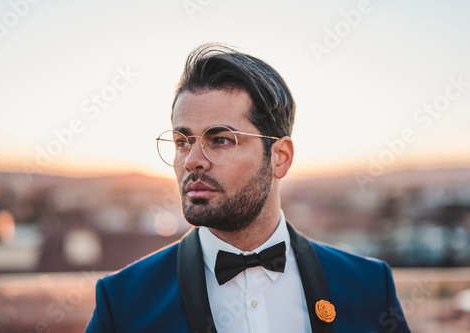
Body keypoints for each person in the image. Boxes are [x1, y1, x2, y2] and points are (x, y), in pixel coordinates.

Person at [85, 43, 410, 333]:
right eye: (183, 142)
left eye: (221, 140)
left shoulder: (369, 287)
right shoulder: (123, 302)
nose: (192, 160)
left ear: (279, 157)